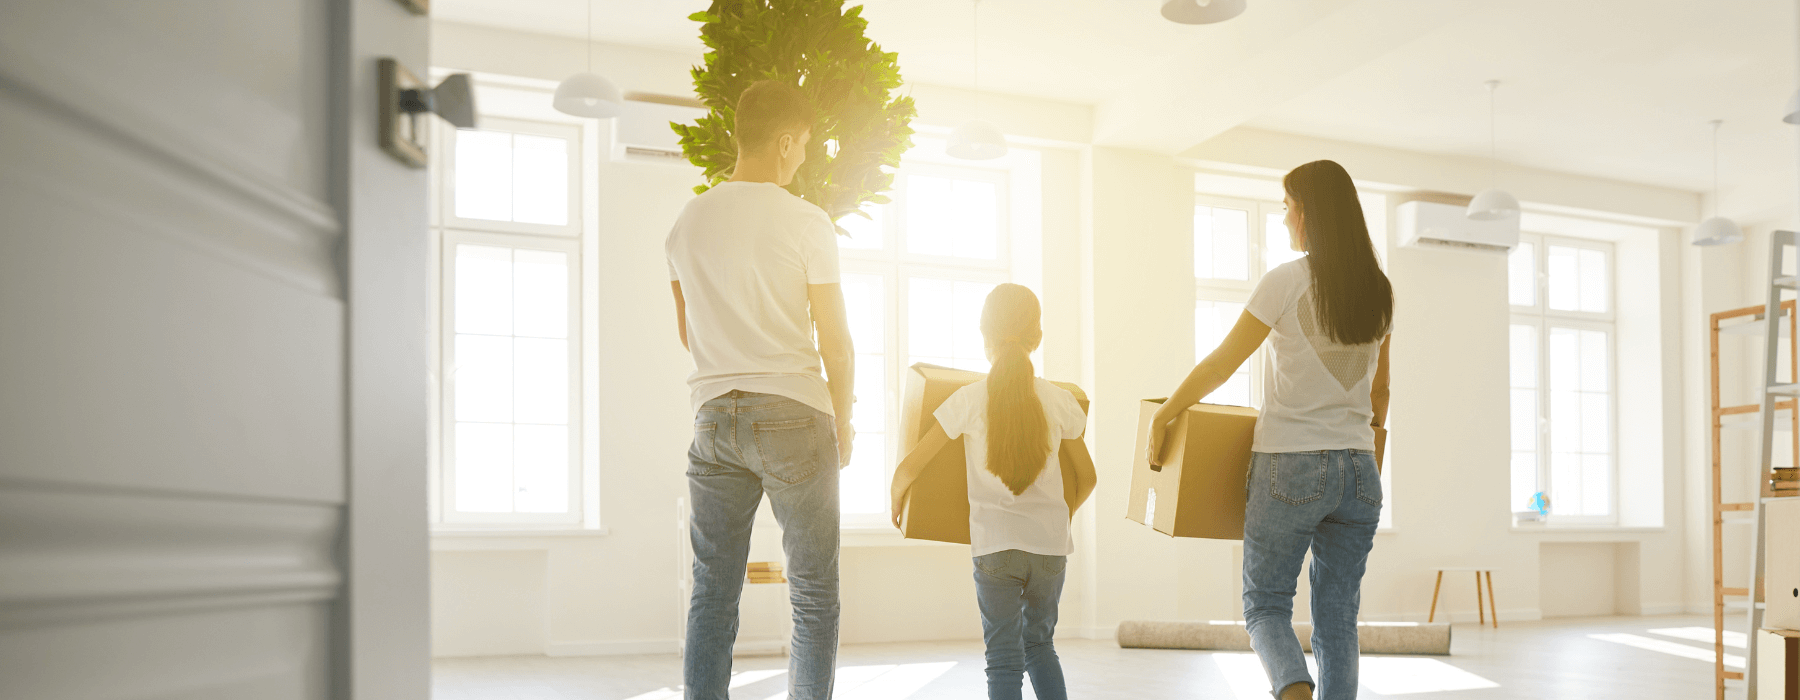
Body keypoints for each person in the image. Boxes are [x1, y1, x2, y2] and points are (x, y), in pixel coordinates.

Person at [1147, 160, 1393, 700]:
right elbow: (1380, 393)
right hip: (1359, 467)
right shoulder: (1379, 291)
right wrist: (1368, 460)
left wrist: (1167, 411)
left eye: (1286, 207)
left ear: (1306, 211)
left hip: (1291, 464)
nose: (1284, 219)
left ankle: (1293, 691)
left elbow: (1221, 364)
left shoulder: (1286, 281)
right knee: (1337, 618)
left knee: (1265, 606)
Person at [666, 80, 855, 700]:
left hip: (713, 419)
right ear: (784, 140)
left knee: (712, 591)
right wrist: (844, 421)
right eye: (802, 146)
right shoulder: (806, 221)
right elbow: (835, 339)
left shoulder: (688, 221)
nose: (802, 159)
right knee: (813, 590)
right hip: (795, 414)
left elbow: (685, 331)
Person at [891, 284, 1097, 700]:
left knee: (1003, 660)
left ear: (984, 335)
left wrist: (896, 500)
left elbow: (911, 465)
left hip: (996, 549)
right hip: (1050, 551)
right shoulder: (1060, 400)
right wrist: (1061, 518)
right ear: (1036, 337)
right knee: (1040, 647)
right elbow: (1088, 477)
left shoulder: (967, 400)